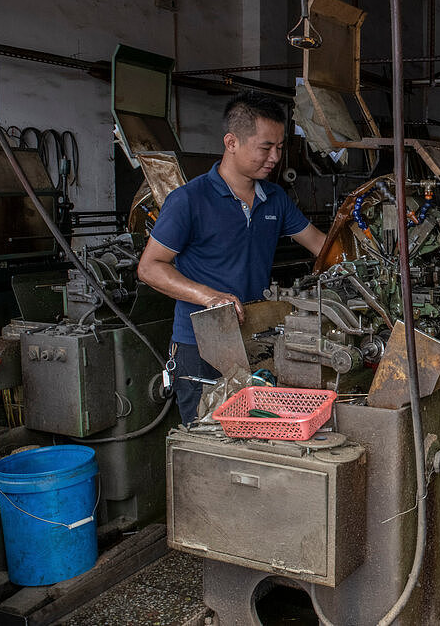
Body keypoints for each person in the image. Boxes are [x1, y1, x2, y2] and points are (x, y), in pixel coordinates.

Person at [138, 91, 326, 424]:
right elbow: (150, 268)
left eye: (280, 148)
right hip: (200, 347)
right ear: (232, 142)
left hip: (257, 340)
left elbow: (321, 245)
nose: (274, 157)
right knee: (207, 444)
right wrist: (208, 296)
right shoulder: (189, 200)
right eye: (265, 147)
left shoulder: (275, 199)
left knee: (257, 442)